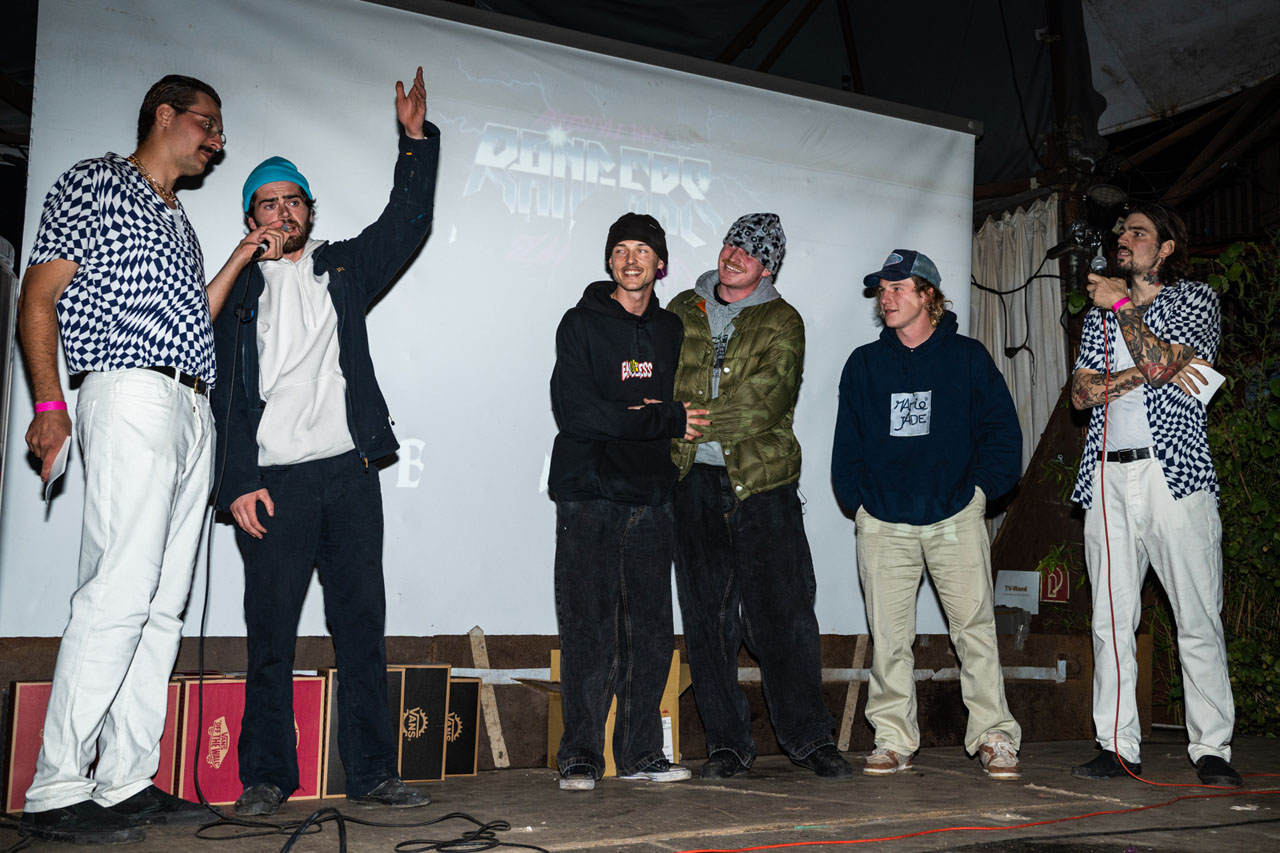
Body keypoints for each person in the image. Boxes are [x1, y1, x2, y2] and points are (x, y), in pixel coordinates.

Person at [16, 74, 274, 845]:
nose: (218, 142)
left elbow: (195, 307)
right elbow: (38, 298)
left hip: (190, 403)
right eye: (210, 125)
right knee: (118, 589)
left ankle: (124, 777)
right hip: (128, 391)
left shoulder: (179, 219)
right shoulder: (94, 181)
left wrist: (240, 252)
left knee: (163, 603)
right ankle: (57, 783)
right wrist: (50, 404)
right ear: (165, 115)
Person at [210, 68, 439, 815]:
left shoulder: (341, 269)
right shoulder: (234, 292)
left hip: (348, 476)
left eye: (292, 200)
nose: (282, 212)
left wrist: (413, 142)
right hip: (273, 485)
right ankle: (267, 777)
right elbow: (222, 395)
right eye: (267, 204)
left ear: (310, 209)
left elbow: (407, 223)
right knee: (270, 637)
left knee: (360, 630)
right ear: (251, 217)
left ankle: (372, 770)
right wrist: (236, 479)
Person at [669, 213, 851, 780]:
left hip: (764, 485)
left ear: (767, 265)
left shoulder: (783, 319)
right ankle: (727, 744)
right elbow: (661, 383)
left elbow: (765, 401)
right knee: (707, 619)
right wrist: (672, 418)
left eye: (749, 251)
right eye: (731, 243)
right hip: (691, 484)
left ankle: (808, 739)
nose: (734, 255)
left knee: (785, 618)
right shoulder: (679, 309)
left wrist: (687, 419)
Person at [831, 249, 1024, 779]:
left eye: (897, 287)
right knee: (889, 638)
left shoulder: (967, 357)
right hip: (885, 520)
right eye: (881, 290)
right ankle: (893, 739)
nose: (885, 297)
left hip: (954, 514)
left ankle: (995, 737)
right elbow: (847, 444)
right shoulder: (864, 364)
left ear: (928, 296)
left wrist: (981, 492)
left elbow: (1003, 434)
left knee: (975, 631)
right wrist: (860, 502)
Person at [1069, 204, 1241, 787]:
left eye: (1138, 232)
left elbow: (1180, 366)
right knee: (1110, 618)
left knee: (1196, 615)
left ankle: (1211, 748)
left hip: (1176, 476)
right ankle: (1118, 746)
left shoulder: (1194, 299)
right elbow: (1081, 393)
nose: (1124, 239)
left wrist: (1123, 309)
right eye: (1122, 231)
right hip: (1108, 477)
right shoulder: (1098, 316)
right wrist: (1147, 366)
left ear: (1165, 249)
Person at [548, 212, 708, 791]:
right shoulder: (580, 324)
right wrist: (660, 419)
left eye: (643, 249)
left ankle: (642, 753)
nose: (632, 259)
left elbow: (686, 412)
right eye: (621, 249)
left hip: (652, 496)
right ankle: (581, 756)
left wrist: (640, 423)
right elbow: (578, 415)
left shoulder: (671, 332)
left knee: (650, 631)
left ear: (659, 263)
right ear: (609, 260)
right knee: (588, 627)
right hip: (589, 494)